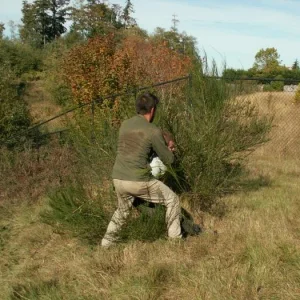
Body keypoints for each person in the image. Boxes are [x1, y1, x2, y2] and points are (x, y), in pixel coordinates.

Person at [101, 92, 182, 247]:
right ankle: (175, 242)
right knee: (172, 200)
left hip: (117, 178)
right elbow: (168, 160)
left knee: (122, 211)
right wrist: (170, 150)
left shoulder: (125, 124)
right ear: (152, 110)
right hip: (137, 180)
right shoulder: (152, 130)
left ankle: (106, 243)